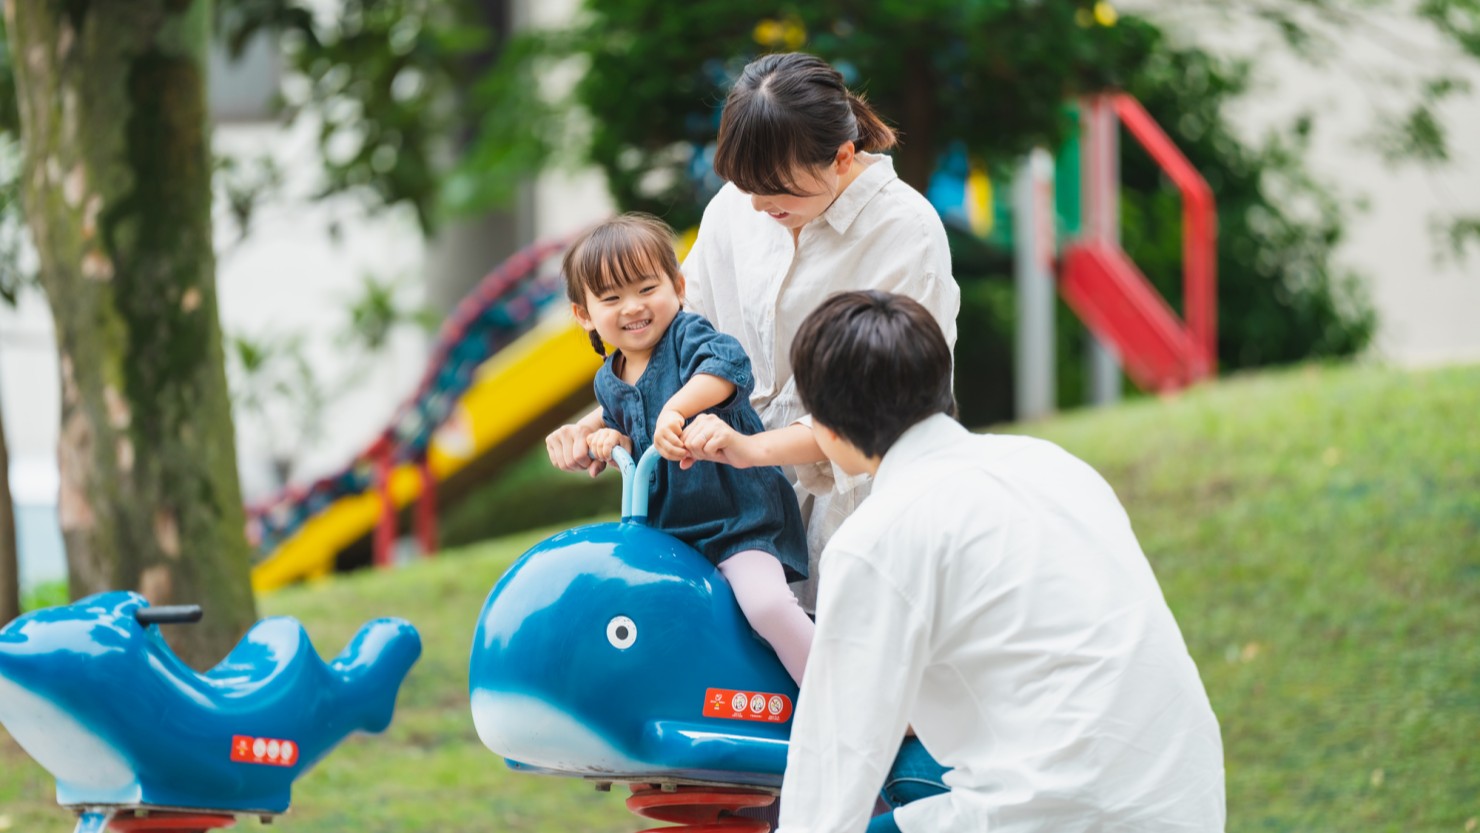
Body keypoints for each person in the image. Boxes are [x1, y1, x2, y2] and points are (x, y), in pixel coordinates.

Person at [775, 291, 1227, 833]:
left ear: (826, 425)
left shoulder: (878, 536)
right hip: (1183, 802)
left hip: (1062, 813)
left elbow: (835, 753)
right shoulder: (1054, 465)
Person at [546, 52, 960, 612]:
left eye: (781, 191)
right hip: (735, 510)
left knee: (846, 682)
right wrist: (598, 419)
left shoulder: (904, 235)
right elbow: (681, 349)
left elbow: (881, 417)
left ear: (842, 157)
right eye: (747, 186)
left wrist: (749, 449)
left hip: (862, 515)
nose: (761, 205)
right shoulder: (737, 210)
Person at [560, 212, 815, 685]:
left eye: (646, 288)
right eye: (612, 298)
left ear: (678, 286)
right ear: (584, 314)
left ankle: (843, 698)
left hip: (737, 522)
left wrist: (677, 410)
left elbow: (728, 366)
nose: (633, 307)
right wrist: (605, 440)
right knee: (648, 620)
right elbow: (626, 435)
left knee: (766, 604)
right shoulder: (608, 381)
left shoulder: (687, 336)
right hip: (671, 534)